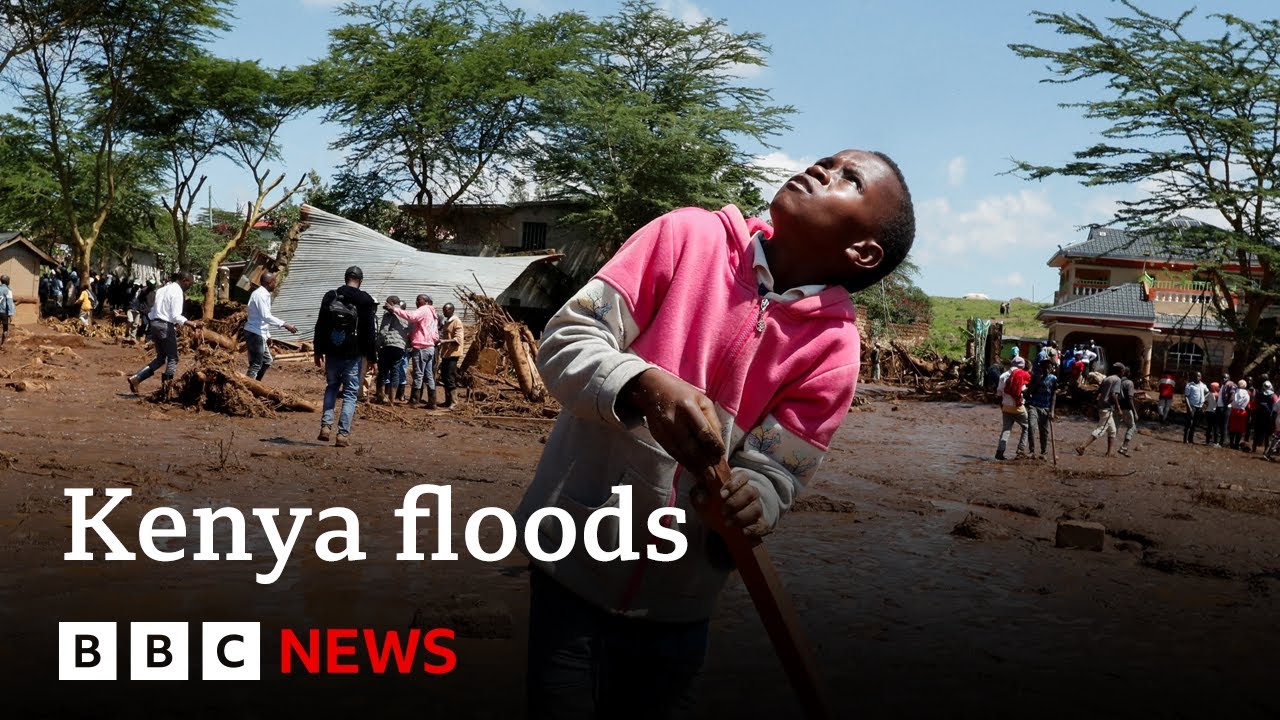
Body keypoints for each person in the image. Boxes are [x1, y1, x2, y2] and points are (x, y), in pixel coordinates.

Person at [513, 148, 914, 717]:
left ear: (863, 251)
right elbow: (567, 341)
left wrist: (758, 502)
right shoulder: (685, 237)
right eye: (827, 160)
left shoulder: (834, 349)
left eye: (848, 180)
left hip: (678, 605)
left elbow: (779, 470)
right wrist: (644, 385)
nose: (823, 169)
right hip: (571, 564)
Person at [312, 266, 377, 448]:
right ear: (360, 281)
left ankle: (326, 426)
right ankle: (342, 435)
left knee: (332, 386)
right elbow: (370, 333)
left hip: (332, 352)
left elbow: (320, 325)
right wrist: (372, 358)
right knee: (350, 393)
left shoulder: (331, 296)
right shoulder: (365, 301)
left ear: (345, 278)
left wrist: (318, 350)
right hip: (353, 354)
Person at [127, 272, 202, 394]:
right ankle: (166, 390)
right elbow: (176, 316)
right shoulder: (177, 292)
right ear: (184, 280)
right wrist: (193, 324)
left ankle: (137, 378)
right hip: (165, 326)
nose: (190, 286)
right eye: (190, 284)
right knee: (173, 358)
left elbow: (152, 309)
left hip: (154, 324)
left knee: (161, 358)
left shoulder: (162, 289)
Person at [243, 272, 298, 382]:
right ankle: (248, 388)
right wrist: (285, 324)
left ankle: (256, 385)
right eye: (274, 282)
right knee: (255, 365)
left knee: (267, 361)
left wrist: (267, 335)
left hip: (259, 332)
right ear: (269, 282)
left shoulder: (264, 294)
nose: (276, 284)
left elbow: (262, 318)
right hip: (254, 333)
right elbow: (265, 316)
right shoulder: (260, 295)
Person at [389, 294, 439, 408]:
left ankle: (414, 401)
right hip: (430, 346)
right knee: (429, 375)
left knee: (418, 374)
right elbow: (434, 334)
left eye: (418, 299)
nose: (416, 301)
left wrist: (395, 310)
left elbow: (411, 316)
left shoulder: (423, 310)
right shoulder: (432, 313)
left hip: (421, 346)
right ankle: (432, 402)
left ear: (425, 301)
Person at [1077, 362, 1125, 457]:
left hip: (1101, 406)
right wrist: (1119, 408)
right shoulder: (1117, 380)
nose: (1123, 372)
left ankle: (1109, 453)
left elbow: (1098, 391)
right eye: (1123, 371)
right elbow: (1114, 395)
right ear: (1121, 371)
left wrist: (1093, 404)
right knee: (1101, 429)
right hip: (1107, 407)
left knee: (1112, 431)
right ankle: (1082, 447)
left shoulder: (1107, 378)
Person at [995, 356, 1031, 460]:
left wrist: (1002, 406)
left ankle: (1000, 452)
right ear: (1021, 366)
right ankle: (1020, 450)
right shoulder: (1020, 375)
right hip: (1018, 407)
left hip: (1005, 407)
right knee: (1026, 427)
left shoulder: (1003, 376)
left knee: (1006, 430)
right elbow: (1023, 390)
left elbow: (998, 393)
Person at [376, 296, 410, 404]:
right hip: (399, 347)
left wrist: (377, 345)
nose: (385, 303)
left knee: (383, 371)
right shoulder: (405, 315)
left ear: (392, 303)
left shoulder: (389, 314)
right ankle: (392, 399)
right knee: (395, 371)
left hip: (388, 345)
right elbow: (409, 332)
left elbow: (383, 331)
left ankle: (381, 396)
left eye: (387, 301)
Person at [1025, 358, 1057, 460]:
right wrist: (1037, 382)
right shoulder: (1035, 377)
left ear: (1052, 369)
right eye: (1044, 367)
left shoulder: (1053, 379)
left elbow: (1054, 395)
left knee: (1044, 431)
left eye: (1049, 368)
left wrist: (1052, 411)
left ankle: (1044, 452)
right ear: (1041, 368)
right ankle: (1032, 451)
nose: (1046, 370)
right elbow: (1029, 391)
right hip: (1034, 405)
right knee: (1031, 427)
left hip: (1045, 407)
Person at [437, 302, 464, 409]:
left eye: (446, 310)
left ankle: (454, 402)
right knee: (444, 376)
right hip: (446, 353)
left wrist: (444, 341)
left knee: (450, 376)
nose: (444, 312)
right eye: (443, 310)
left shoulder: (456, 322)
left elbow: (458, 339)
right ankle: (447, 401)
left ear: (452, 310)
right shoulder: (447, 322)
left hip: (453, 353)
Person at [1117, 364, 1139, 456]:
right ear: (1128, 373)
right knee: (1132, 427)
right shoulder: (1129, 383)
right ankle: (1124, 447)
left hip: (1117, 407)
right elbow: (1130, 398)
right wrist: (1135, 412)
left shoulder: (1117, 381)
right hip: (1126, 408)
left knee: (1115, 427)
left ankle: (1109, 449)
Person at [1182, 371, 1208, 444]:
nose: (1197, 377)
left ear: (1201, 377)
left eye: (1199, 376)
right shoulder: (1189, 385)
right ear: (1193, 377)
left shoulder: (1203, 385)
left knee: (1195, 424)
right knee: (1189, 423)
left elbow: (1208, 392)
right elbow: (1186, 397)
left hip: (1199, 407)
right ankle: (1185, 439)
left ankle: (1191, 439)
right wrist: (1189, 407)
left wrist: (1203, 399)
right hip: (1192, 406)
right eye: (1196, 376)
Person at [1254, 380, 1278, 453]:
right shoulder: (1274, 396)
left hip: (1260, 416)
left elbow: (1255, 404)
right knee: (1267, 434)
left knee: (1258, 432)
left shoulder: (1259, 394)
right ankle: (1265, 449)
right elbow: (1275, 407)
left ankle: (1254, 447)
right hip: (1268, 417)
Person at [1227, 378, 1250, 449]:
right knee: (1240, 429)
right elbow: (1247, 402)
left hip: (1234, 411)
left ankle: (1231, 443)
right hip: (1242, 412)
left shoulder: (1235, 392)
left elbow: (1233, 401)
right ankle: (1236, 444)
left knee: (1232, 427)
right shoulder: (1247, 394)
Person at [1205, 381, 1221, 447]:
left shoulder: (1209, 393)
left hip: (1208, 412)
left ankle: (1207, 441)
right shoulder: (1218, 395)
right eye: (1218, 387)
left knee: (1209, 427)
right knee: (1215, 428)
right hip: (1214, 413)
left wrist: (1207, 404)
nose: (1219, 388)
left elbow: (1204, 399)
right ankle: (1215, 442)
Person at [0, 274, 15, 347]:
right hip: (4, 313)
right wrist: (11, 313)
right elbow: (9, 302)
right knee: (5, 329)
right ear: (7, 282)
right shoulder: (8, 290)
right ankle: (2, 344)